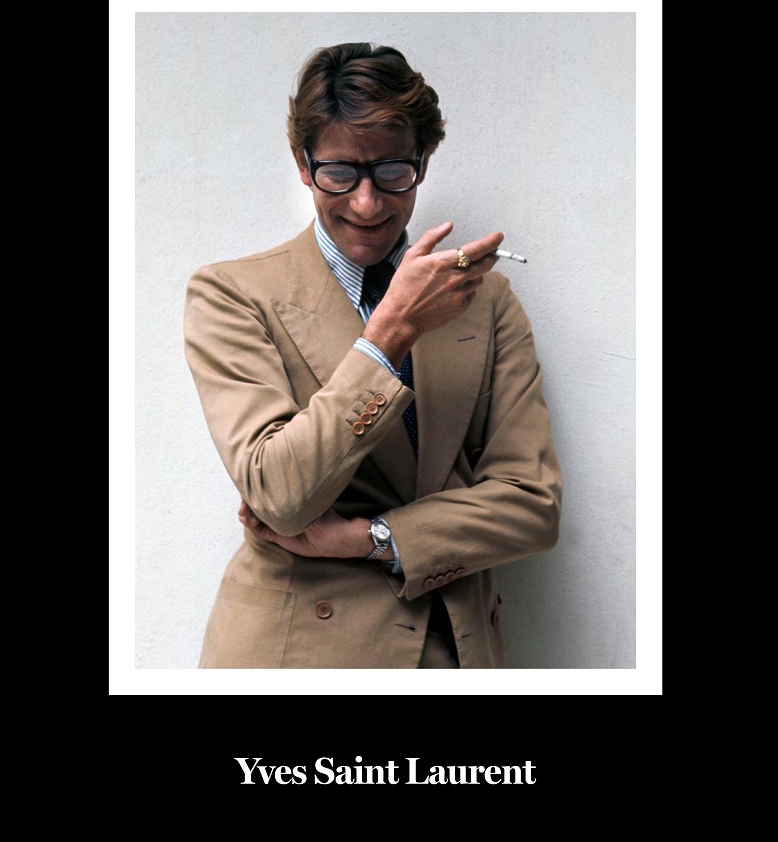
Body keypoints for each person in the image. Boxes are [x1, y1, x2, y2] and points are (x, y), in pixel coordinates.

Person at [184, 42, 562, 669]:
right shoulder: (232, 294)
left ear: (423, 161)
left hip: (454, 646)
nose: (367, 203)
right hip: (297, 655)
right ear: (302, 164)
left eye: (392, 172)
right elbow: (279, 495)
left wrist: (369, 539)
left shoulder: (486, 300)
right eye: (339, 173)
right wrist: (388, 334)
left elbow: (532, 506)